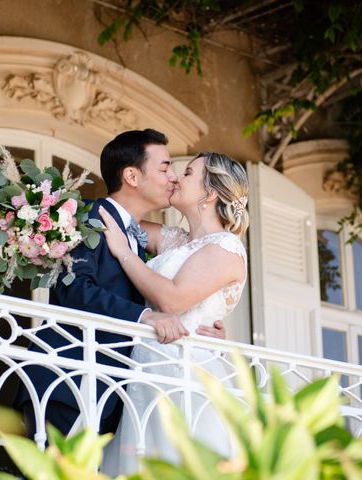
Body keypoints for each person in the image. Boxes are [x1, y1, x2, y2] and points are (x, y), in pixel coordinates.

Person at [13, 130, 226, 443]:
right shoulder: (90, 217)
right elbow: (72, 290)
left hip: (110, 391)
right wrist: (144, 317)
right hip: (66, 382)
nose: (173, 177)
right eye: (165, 168)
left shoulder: (135, 237)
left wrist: (202, 324)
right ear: (132, 176)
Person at [98, 151, 249, 475]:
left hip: (187, 373)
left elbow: (172, 299)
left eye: (189, 173)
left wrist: (125, 254)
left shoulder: (226, 248)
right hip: (146, 366)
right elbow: (124, 218)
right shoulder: (176, 240)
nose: (177, 177)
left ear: (209, 194)